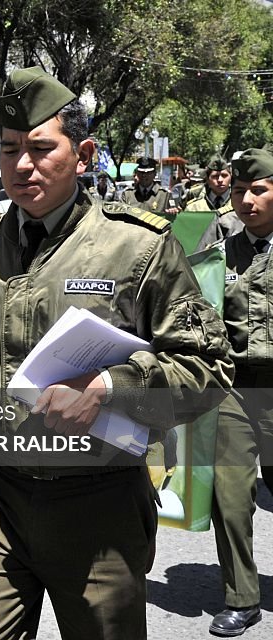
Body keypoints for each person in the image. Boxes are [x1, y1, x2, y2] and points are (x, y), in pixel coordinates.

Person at [0, 67, 233, 640]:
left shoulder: (138, 246)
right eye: (11, 149)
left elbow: (208, 367)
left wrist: (110, 387)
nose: (23, 165)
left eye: (42, 149)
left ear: (84, 152)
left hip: (100, 502)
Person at [206, 148, 273, 638]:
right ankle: (242, 597)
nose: (246, 200)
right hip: (234, 388)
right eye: (238, 192)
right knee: (229, 496)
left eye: (258, 190)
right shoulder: (220, 251)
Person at [191, 157, 243, 251]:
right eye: (215, 176)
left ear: (231, 177)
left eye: (224, 175)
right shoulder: (193, 207)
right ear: (207, 179)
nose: (220, 180)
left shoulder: (240, 204)